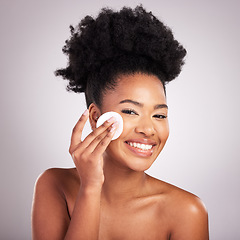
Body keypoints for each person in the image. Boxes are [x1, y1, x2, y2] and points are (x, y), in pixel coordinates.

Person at [31, 5, 209, 240]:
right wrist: (91, 188)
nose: (148, 129)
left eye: (159, 115)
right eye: (130, 111)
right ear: (96, 117)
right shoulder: (54, 185)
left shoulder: (187, 211)